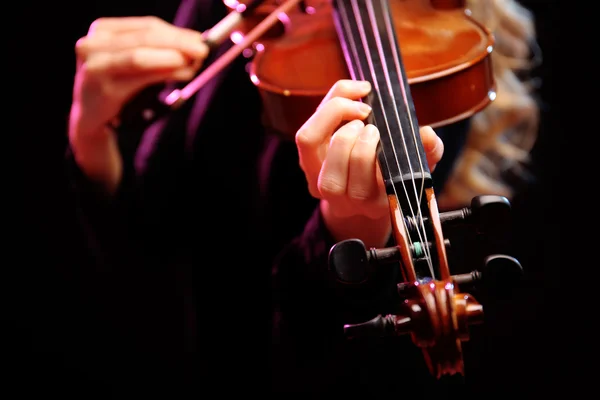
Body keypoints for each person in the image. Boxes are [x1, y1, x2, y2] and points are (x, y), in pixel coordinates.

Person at [64, 0, 539, 395]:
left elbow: (319, 368)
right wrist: (91, 137)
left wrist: (348, 230)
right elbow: (148, 250)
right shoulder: (254, 16)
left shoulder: (432, 46)